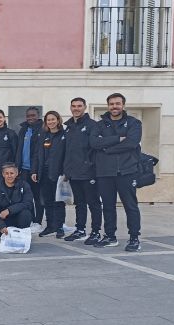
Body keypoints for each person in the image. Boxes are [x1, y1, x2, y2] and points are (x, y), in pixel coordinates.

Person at [90, 93, 142, 251]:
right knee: (108, 206)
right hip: (105, 172)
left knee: (130, 206)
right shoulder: (99, 125)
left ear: (123, 105)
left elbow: (132, 143)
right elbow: (94, 143)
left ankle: (134, 238)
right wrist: (118, 139)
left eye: (117, 104)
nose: (114, 106)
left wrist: (106, 149)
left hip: (126, 171)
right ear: (108, 106)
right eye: (111, 104)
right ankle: (110, 236)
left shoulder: (133, 123)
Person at [63, 98, 102, 244]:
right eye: (73, 106)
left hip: (89, 172)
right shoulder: (69, 127)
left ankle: (96, 232)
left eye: (79, 106)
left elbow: (96, 148)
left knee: (93, 203)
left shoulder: (92, 125)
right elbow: (67, 150)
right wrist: (66, 170)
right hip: (73, 173)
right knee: (79, 203)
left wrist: (90, 165)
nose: (76, 108)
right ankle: (80, 230)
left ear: (85, 107)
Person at [32, 111, 67, 238]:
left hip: (58, 173)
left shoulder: (64, 135)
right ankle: (50, 226)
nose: (51, 122)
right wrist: (34, 171)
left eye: (53, 119)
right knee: (47, 201)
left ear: (58, 120)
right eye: (48, 120)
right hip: (44, 173)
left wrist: (65, 173)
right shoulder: (43, 136)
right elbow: (36, 154)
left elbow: (67, 155)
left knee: (58, 201)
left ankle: (59, 227)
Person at [16, 106, 44, 231]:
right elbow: (19, 150)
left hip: (35, 170)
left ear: (38, 116)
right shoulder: (23, 129)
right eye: (28, 116)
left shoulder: (42, 129)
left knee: (38, 197)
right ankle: (31, 220)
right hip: (24, 170)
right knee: (27, 197)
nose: (30, 118)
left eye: (33, 115)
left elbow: (39, 152)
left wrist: (36, 170)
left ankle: (38, 221)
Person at [0, 163, 34, 238]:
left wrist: (9, 210)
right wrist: (1, 226)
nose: (9, 176)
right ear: (3, 174)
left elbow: (28, 203)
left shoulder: (24, 185)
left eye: (12, 173)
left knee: (26, 213)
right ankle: (7, 236)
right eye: (6, 173)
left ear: (16, 174)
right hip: (4, 219)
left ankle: (21, 236)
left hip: (19, 217)